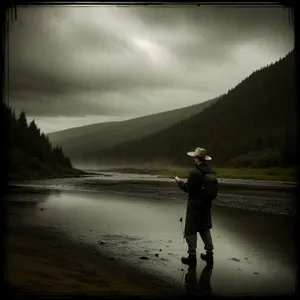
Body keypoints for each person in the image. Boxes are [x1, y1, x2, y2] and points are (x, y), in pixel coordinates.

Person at [175, 147, 215, 266]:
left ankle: (192, 257)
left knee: (191, 230)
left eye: (194, 157)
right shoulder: (211, 170)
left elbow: (188, 188)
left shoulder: (194, 172)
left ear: (196, 158)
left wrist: (179, 182)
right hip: (207, 205)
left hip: (194, 206)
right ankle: (209, 254)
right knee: (204, 228)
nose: (193, 158)